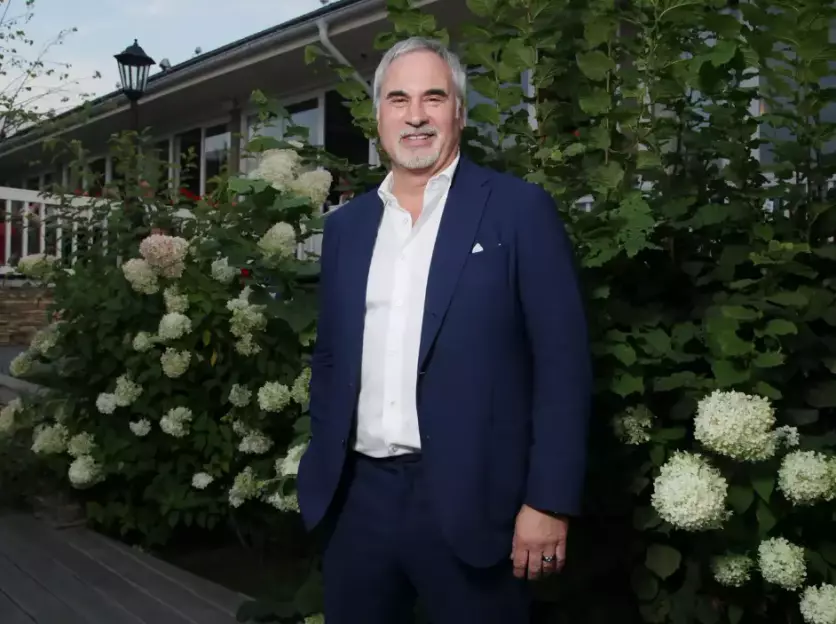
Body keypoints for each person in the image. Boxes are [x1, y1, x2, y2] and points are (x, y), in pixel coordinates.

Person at [297, 36, 592, 623]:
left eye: (433, 97)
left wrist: (548, 500)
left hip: (475, 503)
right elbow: (331, 356)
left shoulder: (518, 210)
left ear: (458, 110)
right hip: (357, 502)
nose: (415, 115)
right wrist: (322, 466)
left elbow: (563, 366)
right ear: (378, 115)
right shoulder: (347, 228)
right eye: (398, 99)